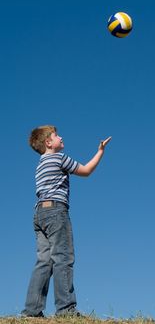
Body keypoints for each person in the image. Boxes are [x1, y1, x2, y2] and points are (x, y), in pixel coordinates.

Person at [21, 125, 111, 317]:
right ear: (48, 143)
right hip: (56, 212)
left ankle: (32, 311)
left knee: (44, 262)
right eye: (56, 135)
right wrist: (100, 152)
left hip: (39, 214)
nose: (61, 137)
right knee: (63, 258)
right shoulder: (59, 158)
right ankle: (66, 309)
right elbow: (86, 171)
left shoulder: (40, 164)